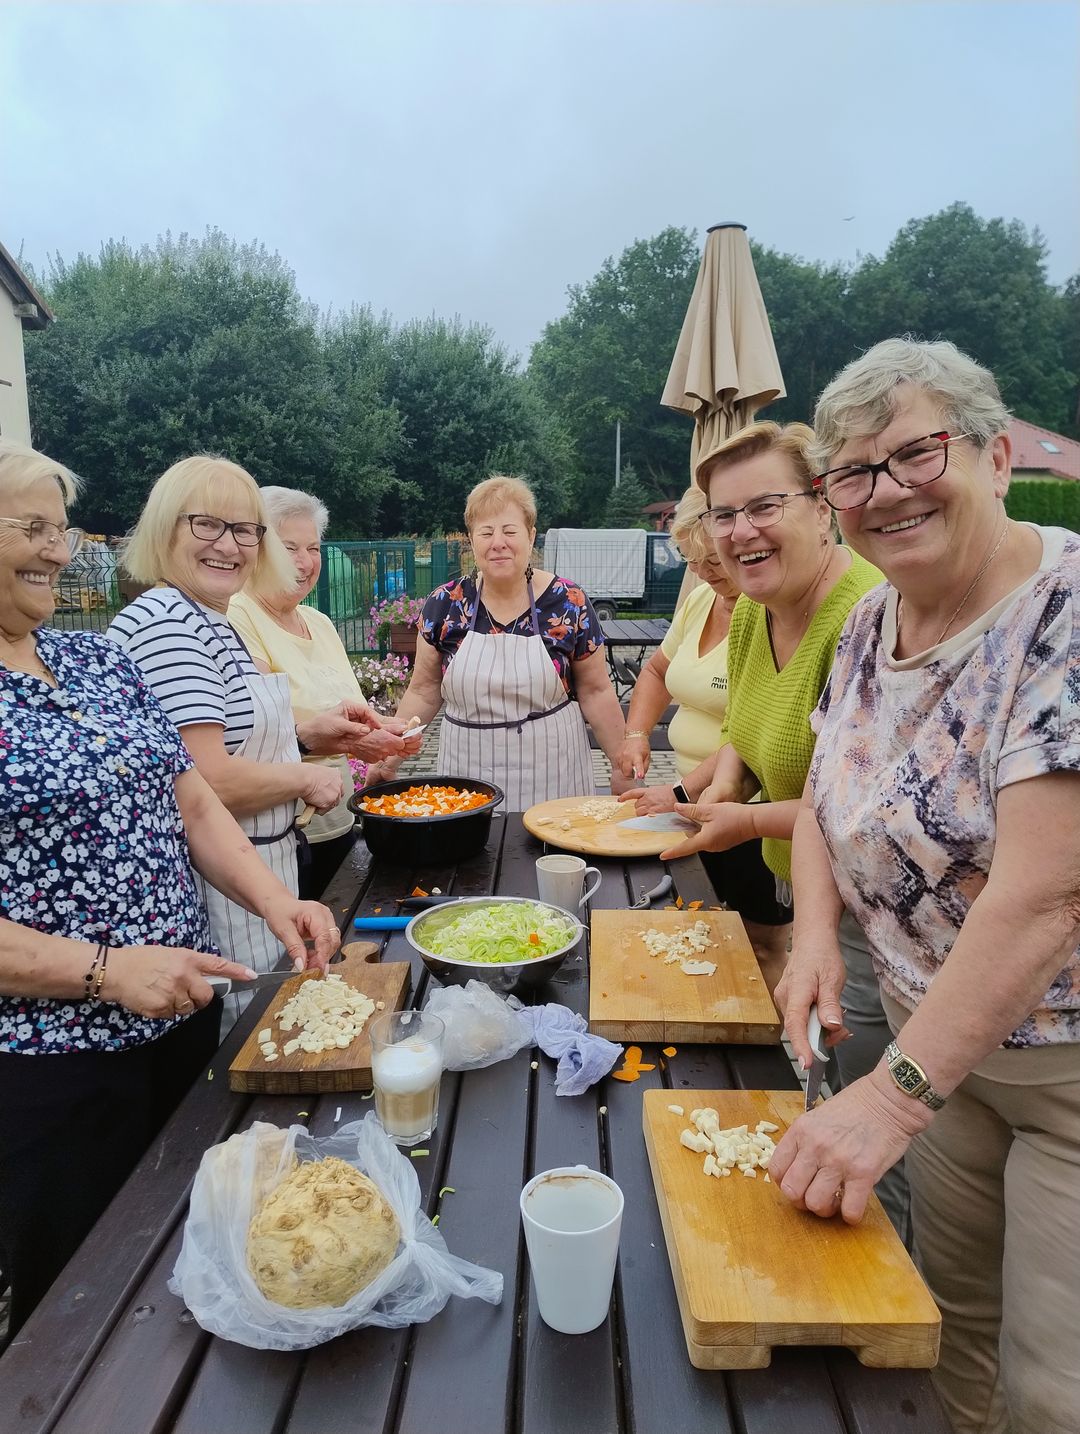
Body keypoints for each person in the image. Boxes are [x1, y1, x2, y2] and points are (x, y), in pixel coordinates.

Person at [769, 339, 1080, 1434]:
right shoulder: (871, 619)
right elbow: (823, 794)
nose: (887, 490)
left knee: (1052, 1390)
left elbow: (1048, 898)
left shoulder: (1063, 612)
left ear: (997, 457)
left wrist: (891, 1099)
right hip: (929, 1036)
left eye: (916, 453)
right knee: (949, 1330)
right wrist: (814, 935)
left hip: (1062, 1068)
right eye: (855, 472)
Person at [0, 441, 339, 1340]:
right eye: (32, 528)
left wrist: (274, 900)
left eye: (61, 530)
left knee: (187, 1253)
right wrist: (106, 971)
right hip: (53, 1060)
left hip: (179, 1013)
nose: (58, 551)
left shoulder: (92, 661)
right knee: (77, 1299)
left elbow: (192, 800)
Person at [653, 422, 909, 1239]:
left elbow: (861, 805)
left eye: (764, 506)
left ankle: (875, 1284)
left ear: (822, 505)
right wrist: (722, 782)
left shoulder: (865, 613)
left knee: (864, 1128)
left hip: (877, 918)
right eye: (724, 514)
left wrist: (744, 821)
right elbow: (743, 727)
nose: (740, 532)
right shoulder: (755, 609)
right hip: (807, 889)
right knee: (818, 1088)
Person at [108, 456, 369, 1023]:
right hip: (222, 886)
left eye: (245, 530)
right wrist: (305, 777)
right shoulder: (169, 625)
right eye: (206, 524)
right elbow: (207, 780)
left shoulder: (208, 620)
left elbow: (235, 739)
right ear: (164, 529)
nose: (228, 545)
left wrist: (305, 739)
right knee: (249, 1033)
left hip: (264, 867)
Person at [365, 475, 629, 808]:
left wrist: (622, 765)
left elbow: (596, 691)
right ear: (471, 540)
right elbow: (423, 691)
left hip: (554, 773)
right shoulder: (444, 604)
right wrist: (388, 759)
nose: (498, 543)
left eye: (510, 531)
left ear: (531, 536)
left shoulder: (568, 602)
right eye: (486, 532)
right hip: (466, 777)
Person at [614, 485, 790, 966]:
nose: (704, 572)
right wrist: (636, 734)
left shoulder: (771, 612)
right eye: (691, 561)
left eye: (712, 560)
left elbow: (751, 731)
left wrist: (679, 791)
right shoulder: (700, 601)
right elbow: (656, 671)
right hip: (691, 803)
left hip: (753, 809)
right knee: (700, 929)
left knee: (759, 943)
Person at [229, 486, 422, 900]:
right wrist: (356, 741)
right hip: (276, 836)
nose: (304, 562)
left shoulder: (318, 621)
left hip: (336, 824)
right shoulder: (237, 616)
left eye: (313, 548)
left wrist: (385, 737)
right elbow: (259, 727)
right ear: (257, 549)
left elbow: (347, 713)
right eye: (289, 548)